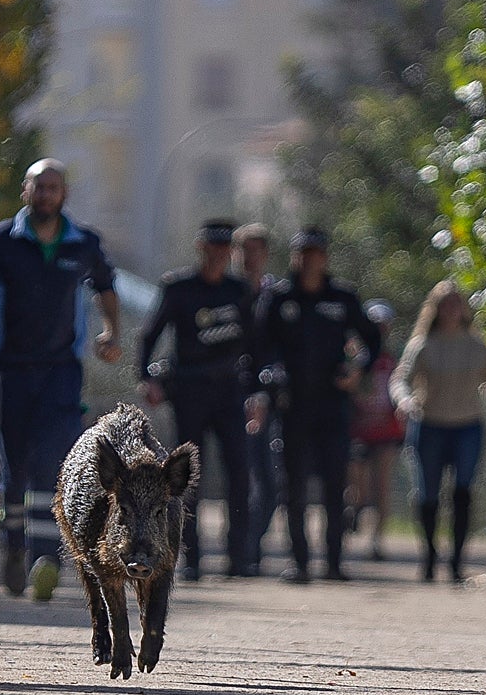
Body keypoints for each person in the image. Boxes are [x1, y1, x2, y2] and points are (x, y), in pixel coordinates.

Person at [0, 158, 122, 601]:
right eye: (39, 187)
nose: (46, 194)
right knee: (14, 470)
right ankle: (12, 548)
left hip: (62, 373)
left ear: (64, 194)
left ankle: (45, 559)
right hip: (8, 372)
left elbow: (106, 285)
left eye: (54, 187)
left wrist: (112, 332)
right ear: (25, 192)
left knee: (55, 464)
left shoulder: (82, 243)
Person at [251, 226, 381, 583]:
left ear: (324, 258)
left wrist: (358, 370)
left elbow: (372, 340)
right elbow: (259, 350)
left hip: (333, 406)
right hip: (291, 406)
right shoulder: (278, 298)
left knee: (334, 484)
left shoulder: (342, 297)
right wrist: (265, 384)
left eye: (315, 253)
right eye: (302, 253)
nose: (308, 260)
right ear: (294, 257)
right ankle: (300, 562)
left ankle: (335, 562)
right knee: (291, 486)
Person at [388, 279, 486, 583]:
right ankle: (429, 555)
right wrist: (404, 399)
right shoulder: (423, 345)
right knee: (427, 494)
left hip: (468, 428)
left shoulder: (476, 347)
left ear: (463, 309)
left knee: (463, 492)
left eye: (456, 304)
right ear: (436, 310)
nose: (452, 310)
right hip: (430, 426)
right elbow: (400, 379)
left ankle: (457, 562)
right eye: (445, 304)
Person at [139, 219, 254, 580]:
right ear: (201, 248)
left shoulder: (239, 290)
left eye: (225, 248)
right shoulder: (179, 288)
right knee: (187, 479)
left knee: (239, 470)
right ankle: (190, 558)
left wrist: (260, 388)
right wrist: (146, 378)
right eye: (212, 247)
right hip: (189, 391)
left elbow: (256, 344)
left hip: (230, 392)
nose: (219, 254)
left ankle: (239, 557)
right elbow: (149, 335)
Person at [232, 222, 285, 574]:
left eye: (256, 250)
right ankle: (237, 549)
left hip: (265, 400)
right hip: (226, 396)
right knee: (235, 478)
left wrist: (266, 393)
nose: (250, 258)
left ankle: (250, 544)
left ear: (265, 255)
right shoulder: (224, 293)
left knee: (268, 482)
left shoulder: (276, 297)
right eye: (244, 250)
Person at [345, 299, 405, 561]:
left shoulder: (394, 361)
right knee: (356, 483)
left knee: (382, 487)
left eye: (383, 325)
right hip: (357, 431)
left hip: (387, 431)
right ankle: (354, 512)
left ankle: (377, 542)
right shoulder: (352, 358)